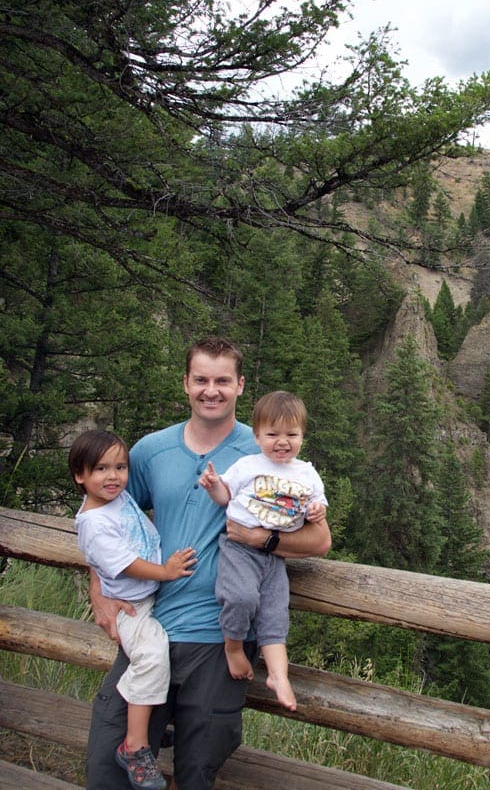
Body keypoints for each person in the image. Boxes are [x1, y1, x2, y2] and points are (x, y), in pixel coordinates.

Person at [85, 336, 332, 790]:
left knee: (197, 771)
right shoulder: (149, 452)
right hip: (151, 627)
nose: (210, 390)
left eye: (222, 380)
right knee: (108, 764)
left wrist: (260, 537)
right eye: (201, 379)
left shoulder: (269, 452)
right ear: (186, 383)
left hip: (223, 640)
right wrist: (98, 593)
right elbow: (103, 520)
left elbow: (319, 540)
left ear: (240, 386)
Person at [71, 430, 197, 790]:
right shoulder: (94, 523)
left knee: (159, 655)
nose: (113, 476)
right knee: (151, 656)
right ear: (80, 476)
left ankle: (145, 724)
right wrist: (165, 572)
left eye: (120, 467)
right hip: (133, 606)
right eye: (100, 469)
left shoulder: (116, 499)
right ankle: (135, 745)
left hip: (148, 597)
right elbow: (126, 564)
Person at [199, 390, 328, 712]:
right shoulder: (248, 466)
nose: (282, 442)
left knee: (274, 615)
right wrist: (214, 484)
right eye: (272, 434)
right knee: (241, 597)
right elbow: (225, 497)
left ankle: (278, 675)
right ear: (257, 436)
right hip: (240, 550)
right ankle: (233, 647)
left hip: (275, 556)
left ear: (302, 436)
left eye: (291, 434)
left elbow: (318, 505)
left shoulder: (307, 473)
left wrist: (316, 512)